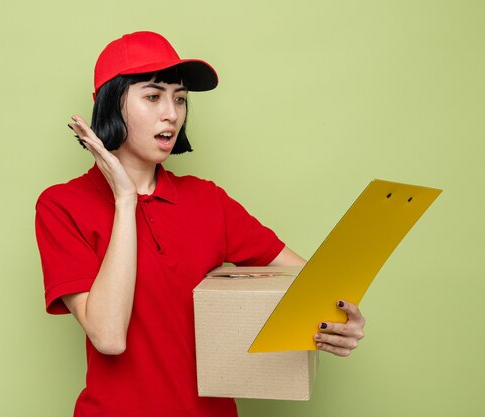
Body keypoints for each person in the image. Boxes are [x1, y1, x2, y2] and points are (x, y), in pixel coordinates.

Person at [35, 31, 366, 417]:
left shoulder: (207, 200)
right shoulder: (62, 206)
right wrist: (125, 201)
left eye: (180, 99)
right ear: (110, 104)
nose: (172, 113)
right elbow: (109, 337)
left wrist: (341, 320)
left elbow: (315, 284)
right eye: (153, 96)